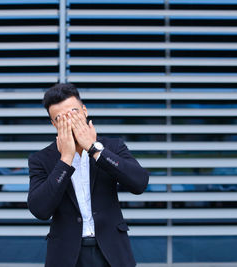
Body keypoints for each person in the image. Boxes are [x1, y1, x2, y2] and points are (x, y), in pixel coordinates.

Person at [27, 83, 149, 267]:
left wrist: (95, 150)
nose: (70, 121)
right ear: (53, 124)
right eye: (61, 118)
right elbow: (40, 210)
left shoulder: (112, 147)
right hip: (65, 255)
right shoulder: (41, 159)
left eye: (74, 113)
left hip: (112, 251)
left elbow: (139, 183)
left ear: (84, 111)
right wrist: (65, 159)